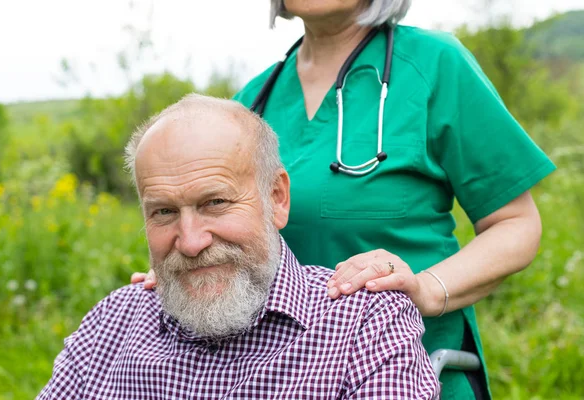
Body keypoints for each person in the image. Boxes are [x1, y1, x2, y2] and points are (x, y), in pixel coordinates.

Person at [132, 1, 556, 398]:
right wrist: (182, 271)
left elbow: (515, 223)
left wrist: (426, 289)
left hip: (417, 367)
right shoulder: (252, 101)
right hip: (289, 377)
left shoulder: (435, 66)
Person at [38, 94, 440, 399]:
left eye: (215, 202)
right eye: (163, 212)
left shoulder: (364, 324)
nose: (191, 242)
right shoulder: (114, 322)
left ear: (277, 198)